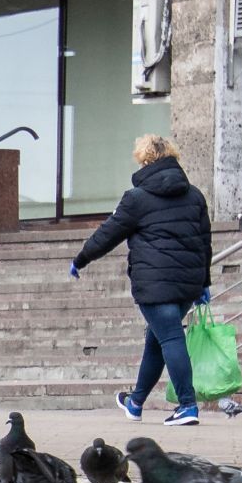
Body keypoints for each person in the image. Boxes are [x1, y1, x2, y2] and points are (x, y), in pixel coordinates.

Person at [70, 133, 212, 428]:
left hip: (155, 282)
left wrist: (80, 259)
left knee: (170, 337)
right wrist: (204, 284)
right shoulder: (195, 195)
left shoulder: (136, 199)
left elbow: (108, 234)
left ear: (144, 160)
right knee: (157, 340)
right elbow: (204, 242)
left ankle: (187, 405)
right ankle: (135, 403)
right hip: (187, 283)